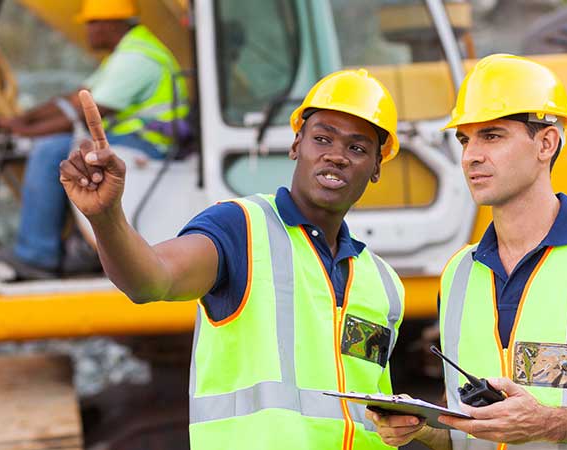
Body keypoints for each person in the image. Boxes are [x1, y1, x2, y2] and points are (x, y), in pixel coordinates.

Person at [61, 69, 406, 449]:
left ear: (376, 167)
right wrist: (106, 216)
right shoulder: (241, 229)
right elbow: (152, 280)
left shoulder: (384, 284)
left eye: (357, 149)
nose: (336, 156)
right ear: (296, 146)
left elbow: (373, 414)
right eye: (322, 138)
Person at [368, 54, 567, 449]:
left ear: (546, 143)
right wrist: (424, 425)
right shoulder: (458, 275)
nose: (471, 156)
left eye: (492, 136)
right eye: (465, 139)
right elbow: (472, 427)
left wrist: (547, 423)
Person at [0, 0, 189, 279]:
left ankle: (37, 256)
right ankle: (71, 246)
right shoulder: (128, 52)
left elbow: (86, 113)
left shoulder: (138, 59)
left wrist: (24, 132)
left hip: (149, 145)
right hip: (131, 139)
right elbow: (75, 98)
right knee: (63, 147)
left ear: (109, 23)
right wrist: (21, 121)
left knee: (52, 151)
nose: (87, 31)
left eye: (91, 23)